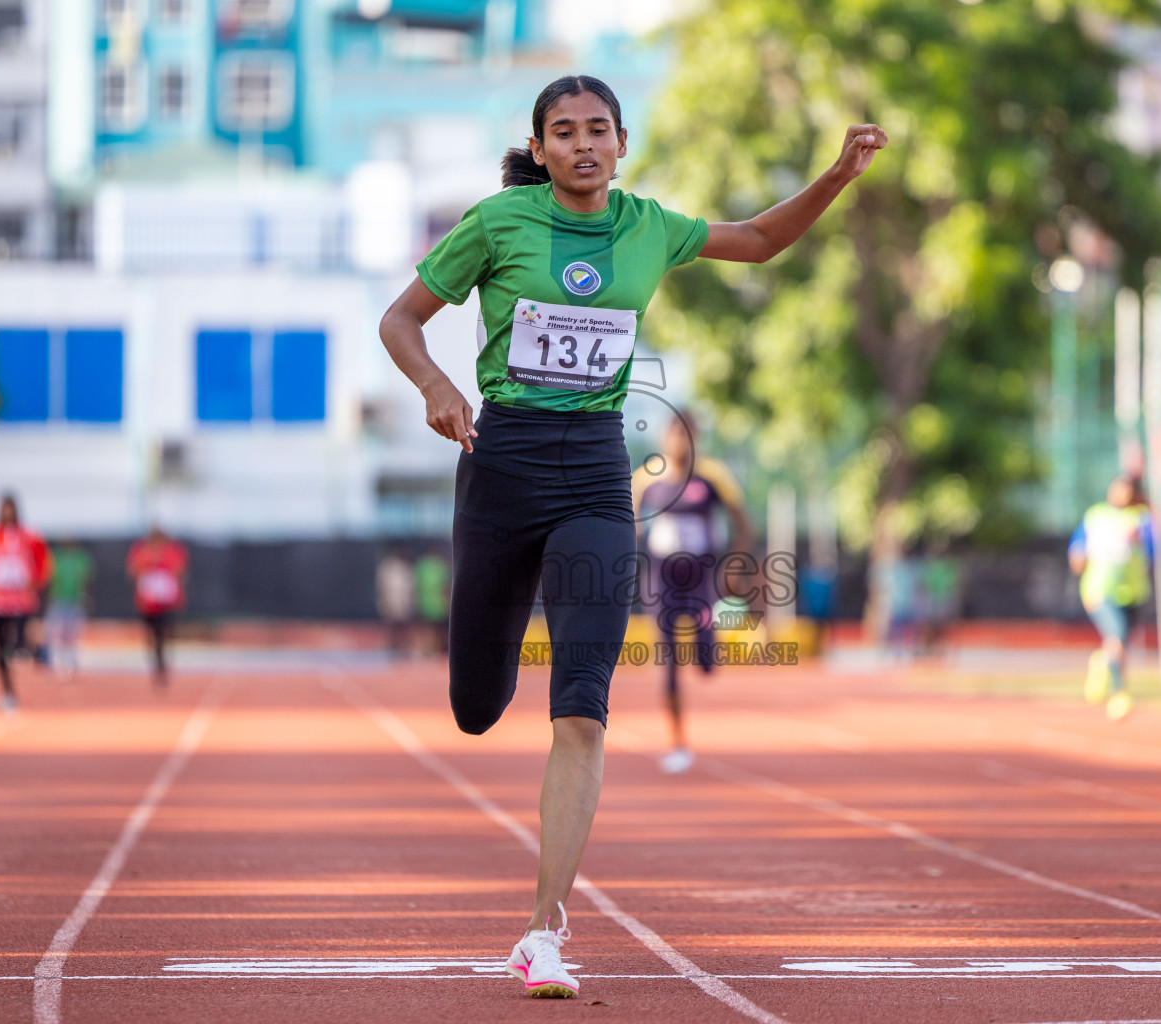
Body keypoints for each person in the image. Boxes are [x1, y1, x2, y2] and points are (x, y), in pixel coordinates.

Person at [377, 74, 884, 999]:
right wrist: (438, 389)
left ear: (621, 143)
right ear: (539, 149)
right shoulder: (499, 223)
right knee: (476, 704)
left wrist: (837, 175)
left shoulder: (651, 226)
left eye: (597, 130)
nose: (581, 145)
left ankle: (542, 931)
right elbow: (400, 319)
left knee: (582, 700)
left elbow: (763, 240)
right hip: (501, 461)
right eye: (562, 132)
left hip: (596, 475)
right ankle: (486, 690)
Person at [632, 413, 752, 775]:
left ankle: (707, 648)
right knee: (668, 660)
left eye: (689, 435)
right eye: (675, 434)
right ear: (665, 437)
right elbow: (627, 521)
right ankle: (678, 741)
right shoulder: (647, 477)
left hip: (700, 579)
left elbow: (743, 522)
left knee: (705, 661)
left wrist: (735, 565)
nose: (681, 442)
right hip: (662, 580)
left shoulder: (713, 476)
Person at [1068, 477, 1153, 721]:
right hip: (1100, 590)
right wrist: (1078, 559)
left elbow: (1153, 550)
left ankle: (1102, 661)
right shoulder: (1096, 515)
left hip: (1134, 591)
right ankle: (1119, 692)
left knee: (1122, 641)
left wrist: (1141, 537)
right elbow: (1078, 546)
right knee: (1117, 634)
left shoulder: (1141, 517)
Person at [0, 493, 53, 711]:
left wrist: (35, 582)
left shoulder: (30, 534)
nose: (8, 513)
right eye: (4, 508)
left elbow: (43, 561)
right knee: (0, 646)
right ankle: (7, 690)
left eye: (11, 508)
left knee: (20, 641)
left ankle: (32, 654)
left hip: (22, 598)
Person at [126, 527, 188, 688]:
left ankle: (162, 662)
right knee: (152, 634)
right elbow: (134, 570)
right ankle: (157, 662)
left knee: (165, 632)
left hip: (167, 602)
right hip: (148, 603)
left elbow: (179, 571)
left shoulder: (173, 551)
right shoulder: (142, 551)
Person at [45, 540, 95, 678]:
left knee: (73, 633)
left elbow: (87, 579)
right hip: (59, 599)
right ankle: (57, 661)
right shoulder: (56, 558)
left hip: (75, 599)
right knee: (56, 632)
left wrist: (86, 598)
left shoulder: (81, 559)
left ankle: (71, 661)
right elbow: (49, 578)